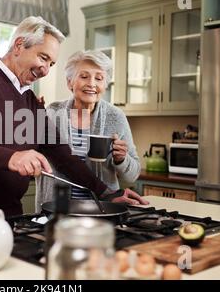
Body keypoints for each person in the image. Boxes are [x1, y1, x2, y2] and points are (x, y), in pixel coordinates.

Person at [0, 16, 147, 224]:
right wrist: (12, 157)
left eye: (51, 63)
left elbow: (62, 156)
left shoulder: (31, 101)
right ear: (19, 45)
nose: (46, 70)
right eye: (43, 58)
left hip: (10, 212)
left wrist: (108, 193)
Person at [36, 50, 146, 212]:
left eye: (99, 78)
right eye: (84, 76)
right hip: (57, 208)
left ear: (105, 85)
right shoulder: (53, 112)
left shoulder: (115, 117)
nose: (92, 84)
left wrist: (121, 159)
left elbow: (132, 175)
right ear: (69, 82)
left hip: (101, 209)